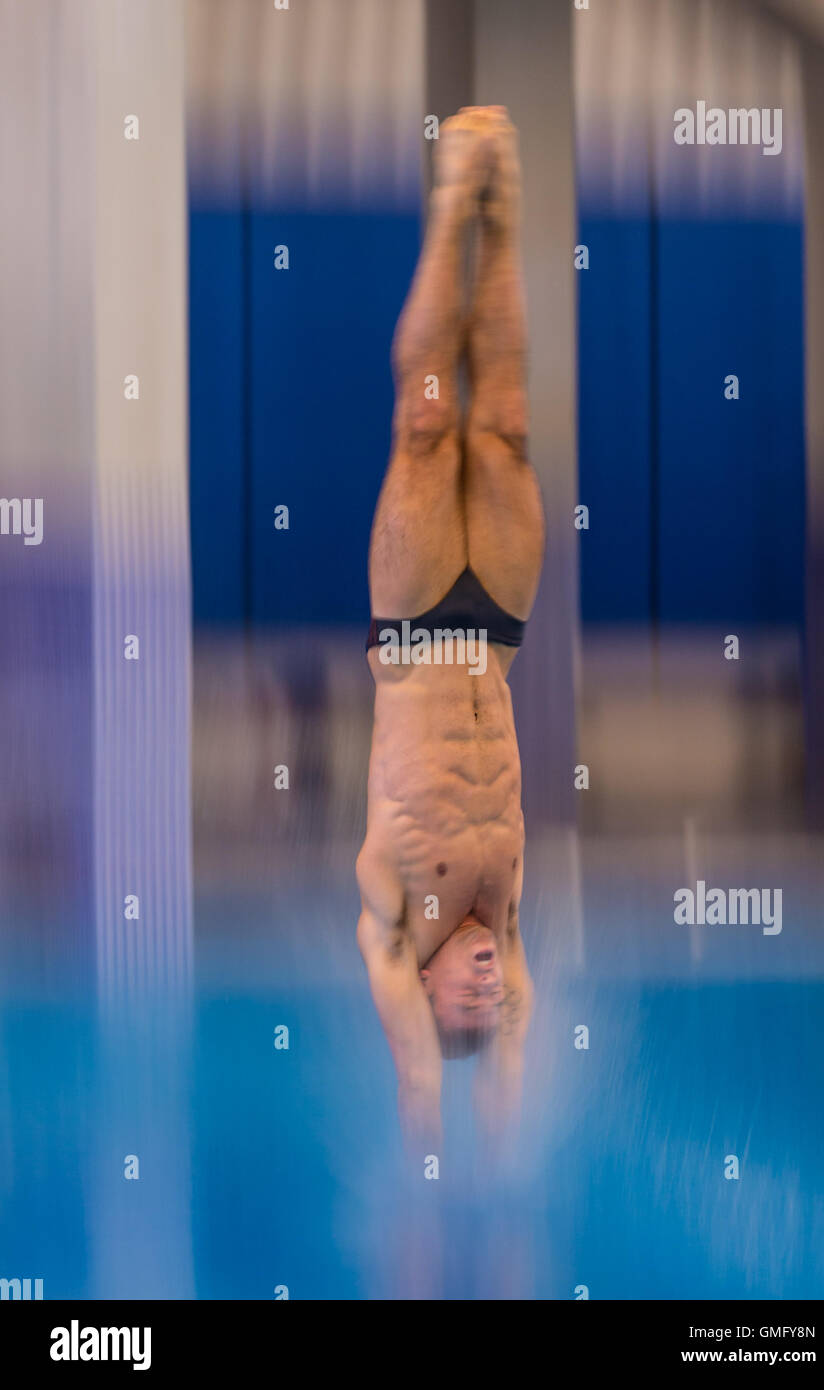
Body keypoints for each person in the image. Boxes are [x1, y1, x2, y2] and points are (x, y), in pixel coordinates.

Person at [356, 107, 545, 1156]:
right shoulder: (505, 929)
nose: (484, 987)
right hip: (497, 633)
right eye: (493, 1002)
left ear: (421, 991)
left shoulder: (391, 920)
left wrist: (430, 1137)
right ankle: (504, 218)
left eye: (463, 1004)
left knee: (428, 422)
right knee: (505, 424)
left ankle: (448, 206)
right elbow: (510, 1060)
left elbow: (421, 1081)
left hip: (416, 624)